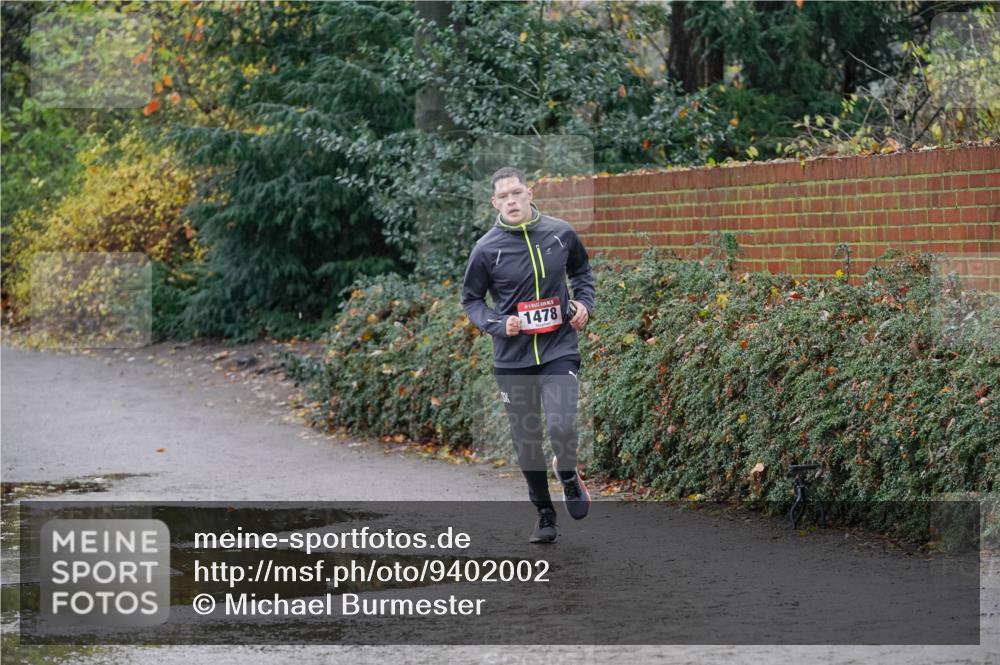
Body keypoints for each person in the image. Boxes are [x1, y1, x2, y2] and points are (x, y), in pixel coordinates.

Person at [461, 166, 596, 543]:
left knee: (562, 425)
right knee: (527, 441)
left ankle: (567, 473)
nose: (511, 200)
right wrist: (498, 323)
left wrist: (584, 303)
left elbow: (582, 273)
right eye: (503, 196)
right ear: (494, 203)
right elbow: (471, 300)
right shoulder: (487, 248)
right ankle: (544, 514)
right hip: (512, 359)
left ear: (529, 193)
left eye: (516, 193)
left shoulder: (561, 232)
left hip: (559, 349)